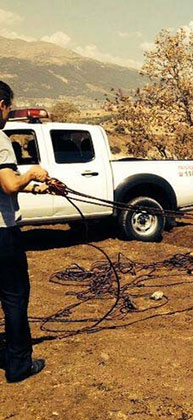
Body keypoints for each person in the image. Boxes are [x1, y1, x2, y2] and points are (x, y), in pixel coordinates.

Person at [0, 80, 51, 383]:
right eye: (8, 109)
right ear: (1, 106)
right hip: (3, 234)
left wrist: (33, 187)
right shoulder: (0, 140)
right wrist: (33, 172)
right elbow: (8, 184)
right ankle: (19, 365)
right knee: (15, 297)